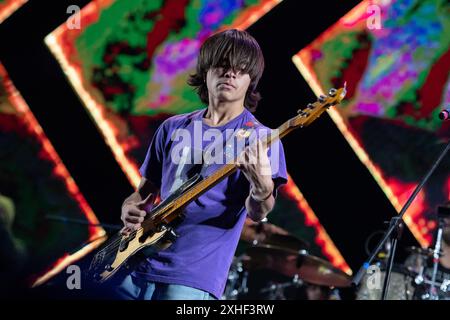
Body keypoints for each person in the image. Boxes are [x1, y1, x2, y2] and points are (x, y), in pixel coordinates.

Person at [116, 29, 288, 300]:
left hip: (193, 278)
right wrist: (130, 207)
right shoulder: (172, 127)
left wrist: (262, 187)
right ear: (206, 71)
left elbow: (258, 213)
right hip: (135, 265)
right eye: (223, 65)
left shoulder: (262, 139)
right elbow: (143, 193)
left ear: (250, 82)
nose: (230, 74)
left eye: (241, 70)